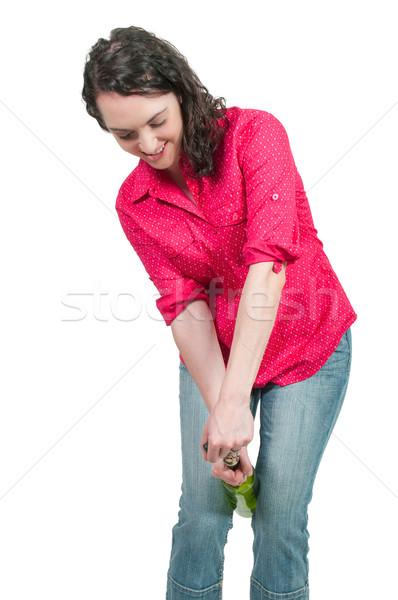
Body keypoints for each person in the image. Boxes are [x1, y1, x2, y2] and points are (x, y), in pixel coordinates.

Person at [82, 26, 357, 600]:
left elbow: (268, 266)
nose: (148, 144)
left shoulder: (255, 135)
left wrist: (234, 406)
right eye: (126, 134)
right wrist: (222, 414)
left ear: (181, 91)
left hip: (308, 347)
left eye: (158, 121)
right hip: (217, 352)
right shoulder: (135, 203)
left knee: (279, 514)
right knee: (203, 509)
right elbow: (185, 307)